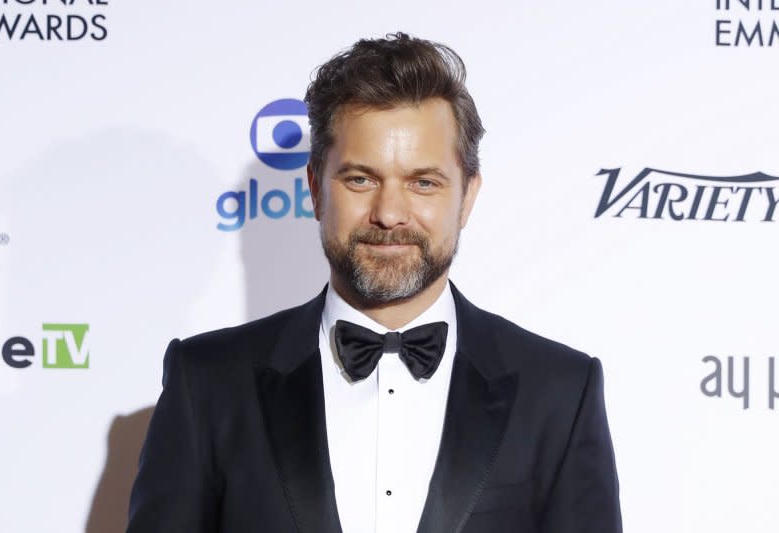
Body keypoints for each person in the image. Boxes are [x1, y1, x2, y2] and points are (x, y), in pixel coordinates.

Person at [127, 32, 623, 533]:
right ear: (317, 189)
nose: (389, 214)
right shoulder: (208, 384)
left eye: (423, 182)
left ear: (468, 196)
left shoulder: (560, 392)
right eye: (361, 179)